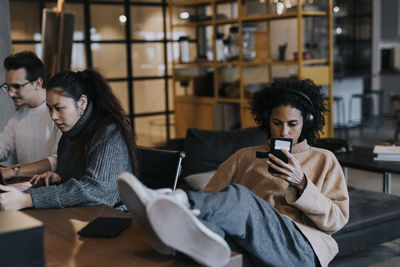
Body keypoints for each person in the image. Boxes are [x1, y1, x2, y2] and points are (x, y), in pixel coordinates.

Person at [117, 79, 349, 267]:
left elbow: (336, 221)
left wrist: (302, 183)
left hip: (298, 249)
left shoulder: (323, 159)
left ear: (306, 123)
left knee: (243, 198)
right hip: (253, 247)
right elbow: (211, 196)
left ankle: (170, 200)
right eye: (277, 122)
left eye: (292, 124)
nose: (284, 131)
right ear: (267, 120)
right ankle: (166, 235)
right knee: (205, 238)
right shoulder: (244, 157)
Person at [0, 69, 137, 210]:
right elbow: (76, 174)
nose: (53, 116)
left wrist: (28, 199)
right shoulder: (69, 132)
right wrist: (59, 177)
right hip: (84, 212)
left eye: (59, 108)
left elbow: (95, 190)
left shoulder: (109, 133)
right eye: (50, 109)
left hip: (114, 215)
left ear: (82, 103)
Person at [0, 51, 61, 179]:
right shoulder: (17, 118)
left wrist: (13, 171)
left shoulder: (59, 114)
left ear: (38, 83)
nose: (10, 94)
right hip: (23, 189)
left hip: (52, 191)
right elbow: (2, 148)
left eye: (17, 86)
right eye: (8, 87)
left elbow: (56, 161)